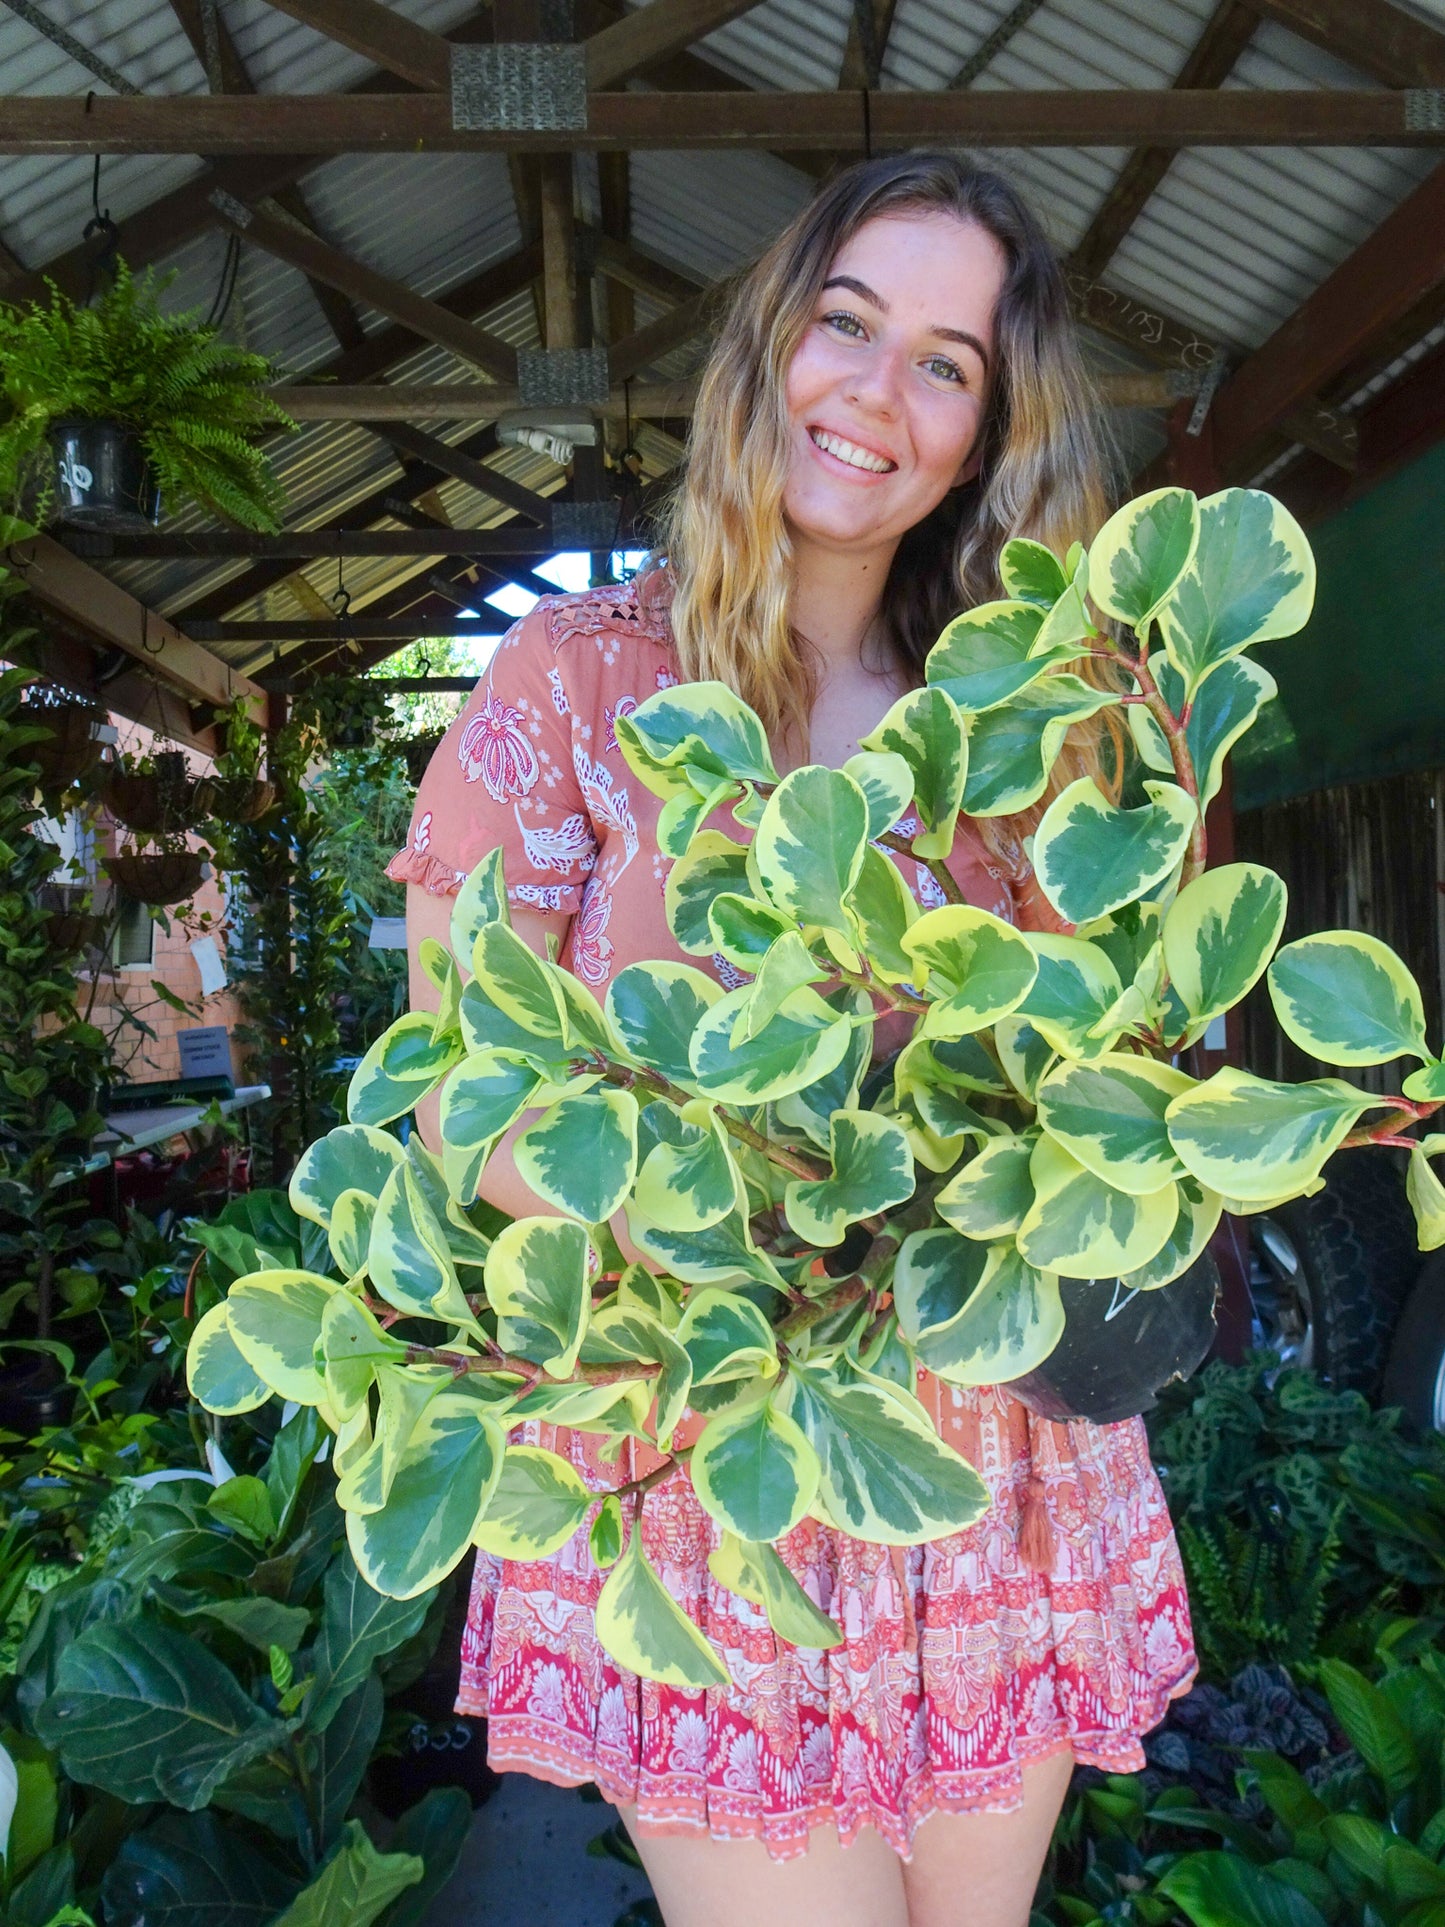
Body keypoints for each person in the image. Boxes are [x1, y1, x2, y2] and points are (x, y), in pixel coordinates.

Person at [391, 151, 1195, 1927]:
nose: (875, 393)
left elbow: (1132, 1069)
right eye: (847, 324)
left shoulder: (1041, 727)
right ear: (767, 345)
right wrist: (716, 1233)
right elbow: (454, 1093)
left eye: (945, 362)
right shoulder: (578, 684)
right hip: (710, 1455)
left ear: (985, 435)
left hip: (991, 1452)